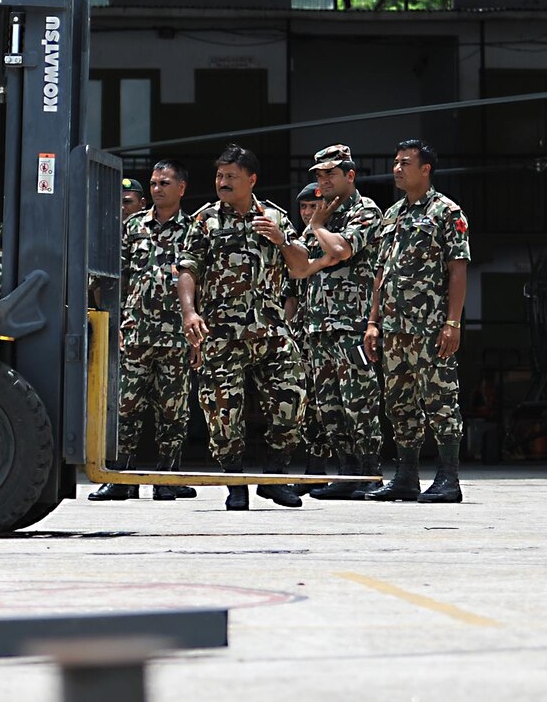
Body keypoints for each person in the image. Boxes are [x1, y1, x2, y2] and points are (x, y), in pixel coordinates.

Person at [176, 143, 308, 510]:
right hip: (221, 331)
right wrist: (190, 312)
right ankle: (235, 481)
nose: (223, 182)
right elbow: (188, 269)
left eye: (231, 176)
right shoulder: (205, 220)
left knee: (291, 397)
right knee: (222, 411)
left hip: (270, 329)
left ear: (251, 179)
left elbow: (300, 267)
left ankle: (275, 477)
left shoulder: (276, 217)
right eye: (219, 176)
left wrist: (281, 240)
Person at [362, 139, 470, 504]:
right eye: (395, 162)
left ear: (425, 169)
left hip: (429, 328)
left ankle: (448, 478)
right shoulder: (392, 216)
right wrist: (373, 322)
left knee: (440, 400)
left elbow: (458, 270)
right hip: (393, 331)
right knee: (399, 403)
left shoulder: (446, 212)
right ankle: (406, 476)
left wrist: (452, 323)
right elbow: (381, 274)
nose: (396, 169)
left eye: (404, 163)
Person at [94, 159, 195, 502]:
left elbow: (206, 282)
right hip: (135, 332)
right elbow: (114, 277)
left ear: (181, 187)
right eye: (153, 183)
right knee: (126, 408)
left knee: (174, 410)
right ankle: (121, 478)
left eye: (165, 183)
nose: (157, 189)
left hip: (177, 336)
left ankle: (167, 478)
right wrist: (115, 318)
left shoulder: (195, 229)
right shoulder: (133, 226)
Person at [291, 145, 384, 499]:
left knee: (358, 402)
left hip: (352, 325)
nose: (324, 180)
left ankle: (369, 473)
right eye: (319, 175)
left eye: (331, 173)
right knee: (329, 405)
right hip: (317, 326)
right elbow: (298, 266)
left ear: (350, 174)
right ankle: (346, 471)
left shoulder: (365, 210)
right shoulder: (323, 216)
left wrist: (317, 227)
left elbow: (343, 250)